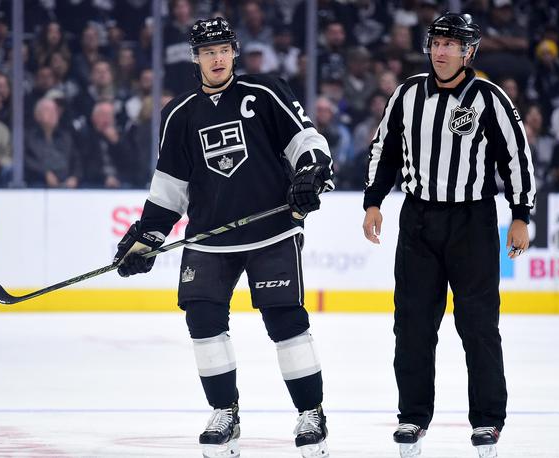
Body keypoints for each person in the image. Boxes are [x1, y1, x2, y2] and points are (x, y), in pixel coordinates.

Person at [113, 17, 333, 458]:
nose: (217, 58)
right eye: (207, 51)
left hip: (272, 229)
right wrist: (147, 237)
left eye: (223, 49)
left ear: (234, 51)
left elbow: (307, 142)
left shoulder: (266, 92)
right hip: (209, 237)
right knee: (202, 320)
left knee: (284, 319)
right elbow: (169, 189)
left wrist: (310, 173)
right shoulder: (178, 113)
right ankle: (224, 411)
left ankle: (311, 413)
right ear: (195, 58)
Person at [361, 13, 536, 458]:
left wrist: (520, 214)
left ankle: (488, 421)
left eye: (451, 44)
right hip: (418, 220)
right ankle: (413, 416)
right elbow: (384, 149)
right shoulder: (406, 94)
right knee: (413, 325)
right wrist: (373, 201)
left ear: (468, 51)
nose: (441, 51)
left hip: (472, 223)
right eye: (437, 42)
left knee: (478, 326)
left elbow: (515, 155)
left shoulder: (489, 98)